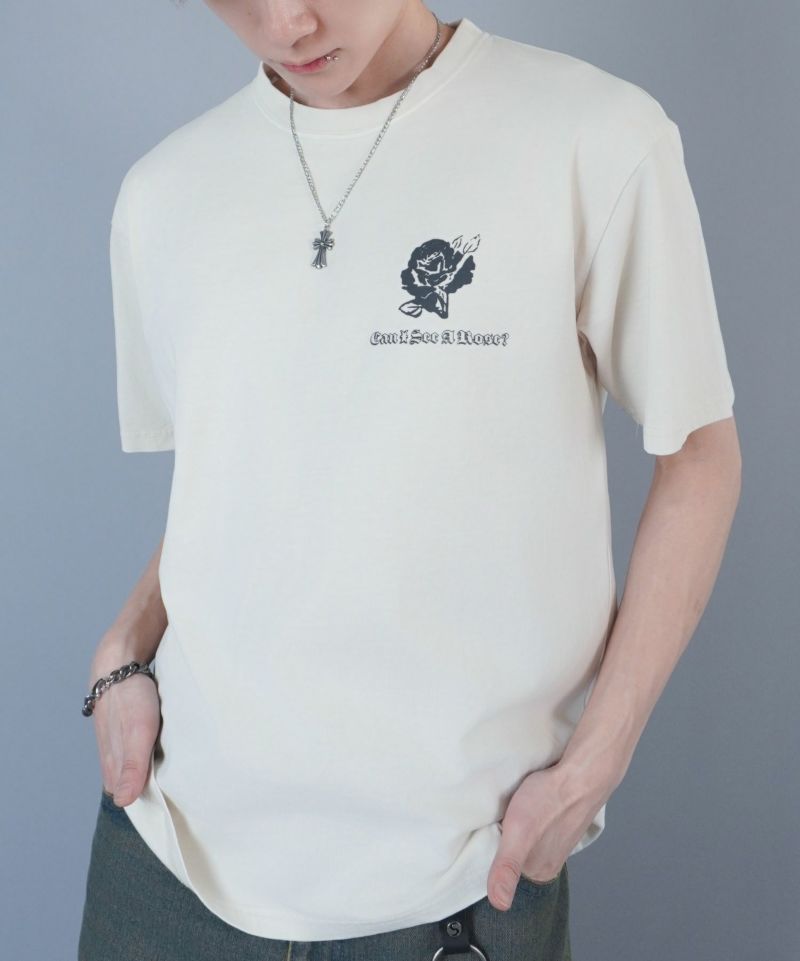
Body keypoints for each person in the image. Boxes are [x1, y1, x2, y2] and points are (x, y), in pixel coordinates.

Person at [78, 1, 741, 959]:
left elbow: (700, 457)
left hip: (457, 883)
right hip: (166, 859)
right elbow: (253, 473)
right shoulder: (163, 192)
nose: (287, 21)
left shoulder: (595, 137)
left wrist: (594, 765)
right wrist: (125, 644)